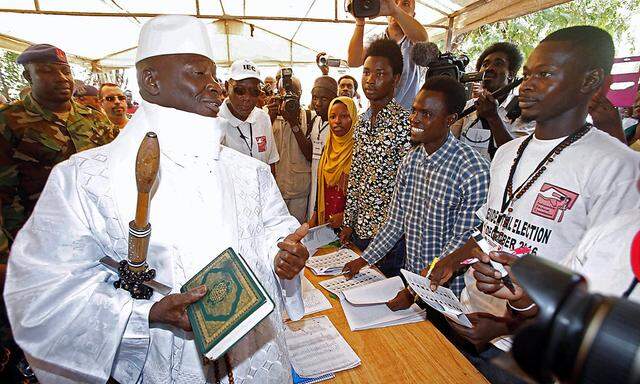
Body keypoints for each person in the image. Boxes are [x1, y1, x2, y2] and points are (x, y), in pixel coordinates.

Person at [4, 15, 310, 384]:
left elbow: (270, 233)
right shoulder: (83, 180)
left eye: (214, 75)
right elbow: (42, 298)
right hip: (165, 365)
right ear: (151, 80)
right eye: (199, 73)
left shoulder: (250, 172)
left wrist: (281, 258)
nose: (215, 87)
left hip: (256, 359)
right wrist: (146, 314)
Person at [428, 26, 640, 384]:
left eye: (545, 74)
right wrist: (455, 258)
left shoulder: (616, 167)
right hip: (468, 315)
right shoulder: (507, 152)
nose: (526, 85)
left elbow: (605, 305)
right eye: (527, 74)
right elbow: (494, 229)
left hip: (530, 353)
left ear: (590, 80)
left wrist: (504, 325)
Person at [0, 43, 117, 383]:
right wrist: (5, 255)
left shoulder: (93, 118)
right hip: (33, 242)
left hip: (94, 242)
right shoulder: (9, 123)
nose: (61, 78)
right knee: (39, 317)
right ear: (28, 76)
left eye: (65, 71)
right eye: (48, 71)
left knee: (88, 311)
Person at [343, 76, 490, 301]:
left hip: (450, 291)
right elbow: (395, 221)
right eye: (414, 110)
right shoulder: (410, 161)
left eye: (426, 114)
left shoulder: (473, 170)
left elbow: (462, 240)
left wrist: (415, 291)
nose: (414, 119)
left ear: (450, 119)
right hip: (414, 279)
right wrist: (364, 260)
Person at [340, 38, 411, 277]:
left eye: (380, 73)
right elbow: (356, 174)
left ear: (396, 79)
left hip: (390, 238)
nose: (370, 80)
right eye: (367, 72)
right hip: (360, 230)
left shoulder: (406, 124)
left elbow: (407, 191)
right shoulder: (361, 121)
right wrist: (348, 221)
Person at [451, 42, 534, 161]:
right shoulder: (469, 107)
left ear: (511, 74)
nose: (489, 68)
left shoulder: (522, 109)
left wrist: (493, 117)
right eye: (485, 64)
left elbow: (518, 157)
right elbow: (449, 141)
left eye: (498, 63)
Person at [348, 0, 428, 110]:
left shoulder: (414, 42)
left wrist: (394, 10)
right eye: (394, 2)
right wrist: (360, 22)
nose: (397, 6)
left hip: (407, 117)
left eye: (405, 4)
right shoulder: (375, 40)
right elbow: (353, 61)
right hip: (378, 115)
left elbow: (423, 40)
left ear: (413, 15)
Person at [271, 76, 322, 223]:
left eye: (294, 92)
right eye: (285, 92)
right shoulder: (269, 115)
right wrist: (270, 117)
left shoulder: (310, 116)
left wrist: (294, 123)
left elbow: (310, 154)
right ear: (279, 93)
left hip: (299, 190)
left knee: (297, 233)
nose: (290, 96)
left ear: (300, 93)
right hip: (276, 190)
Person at [219, 59, 279, 172]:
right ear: (227, 87)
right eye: (240, 90)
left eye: (254, 92)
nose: (247, 98)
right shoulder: (215, 121)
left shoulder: (263, 118)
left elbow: (271, 164)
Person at [308, 96, 358, 228]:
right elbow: (321, 188)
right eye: (333, 116)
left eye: (344, 116)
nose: (337, 121)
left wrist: (345, 217)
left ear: (354, 118)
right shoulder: (328, 148)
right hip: (325, 222)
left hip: (349, 227)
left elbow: (365, 195)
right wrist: (314, 216)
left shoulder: (359, 151)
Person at [308, 76, 338, 219]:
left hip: (329, 186)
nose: (318, 103)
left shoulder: (338, 126)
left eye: (324, 99)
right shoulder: (315, 120)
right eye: (314, 98)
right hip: (314, 179)